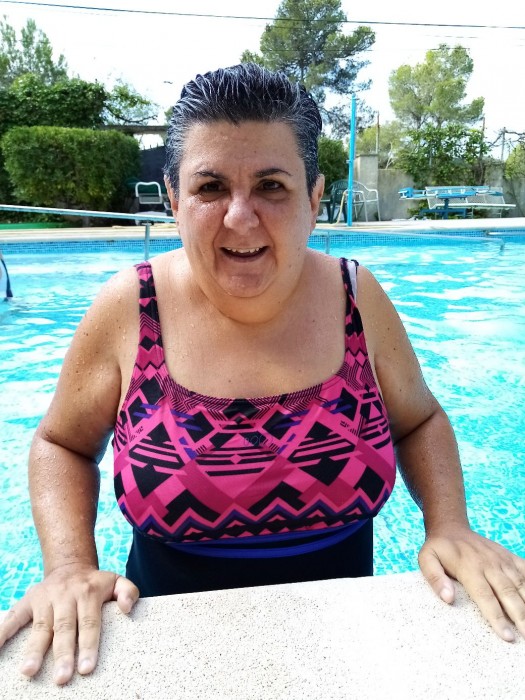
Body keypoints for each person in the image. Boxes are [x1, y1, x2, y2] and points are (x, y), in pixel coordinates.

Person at [0, 63, 523, 685]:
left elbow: (419, 419)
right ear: (174, 200)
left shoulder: (356, 298)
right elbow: (61, 442)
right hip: (165, 654)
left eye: (272, 186)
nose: (240, 217)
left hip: (344, 647)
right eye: (210, 187)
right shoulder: (131, 309)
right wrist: (68, 566)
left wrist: (450, 525)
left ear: (314, 198)